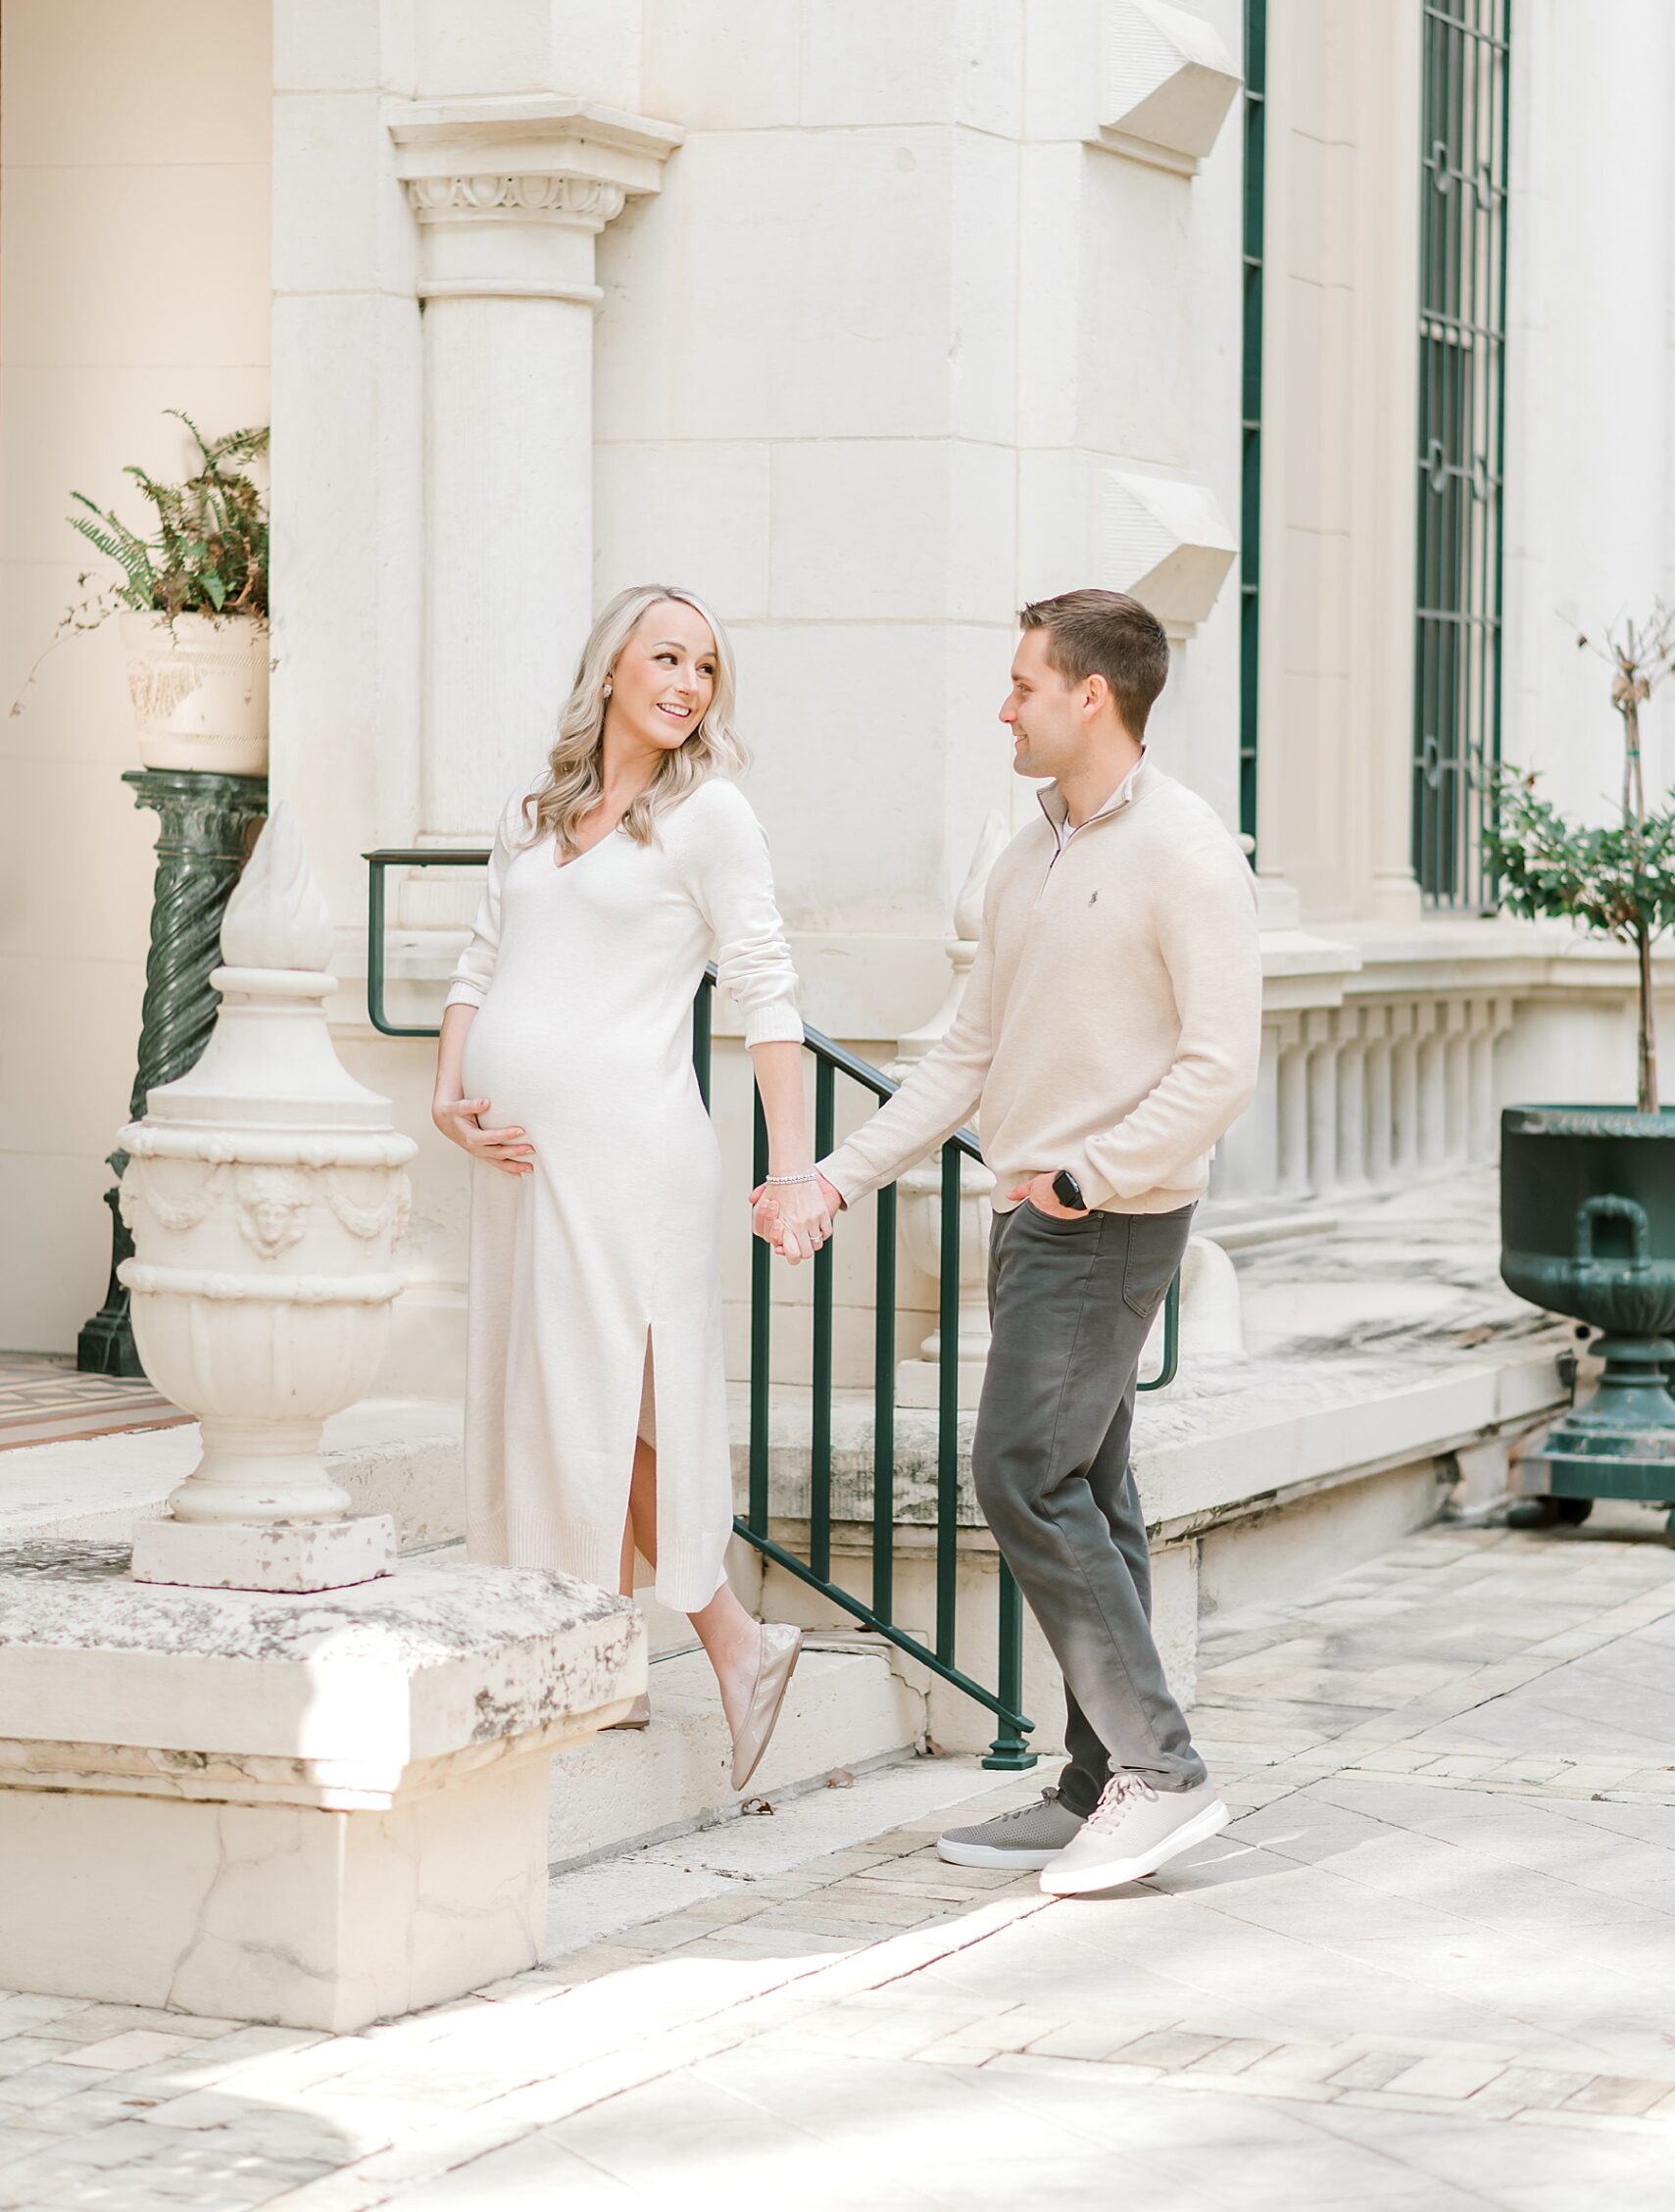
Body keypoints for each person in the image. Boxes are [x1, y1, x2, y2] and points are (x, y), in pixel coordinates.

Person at [766, 589, 1261, 1893]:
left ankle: (1157, 1772)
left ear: (1090, 694)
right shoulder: (1031, 845)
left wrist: (1088, 1183)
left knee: (1020, 1476)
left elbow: (1219, 1067)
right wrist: (836, 1176)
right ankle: (1102, 1782)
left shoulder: (1187, 851)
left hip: (1105, 1218)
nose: (1003, 705)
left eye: (1023, 683)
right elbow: (966, 1056)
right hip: (1035, 1212)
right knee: (1089, 1491)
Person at [433, 583, 830, 1791]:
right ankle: (614, 1655)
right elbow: (480, 955)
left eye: (705, 668)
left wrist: (795, 1162)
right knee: (548, 1400)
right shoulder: (533, 812)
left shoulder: (709, 816)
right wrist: (449, 1088)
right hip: (515, 1158)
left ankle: (729, 1639)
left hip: (630, 1155)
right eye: (665, 657)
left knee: (607, 1400)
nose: (686, 684)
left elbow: (765, 986)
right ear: (609, 666)